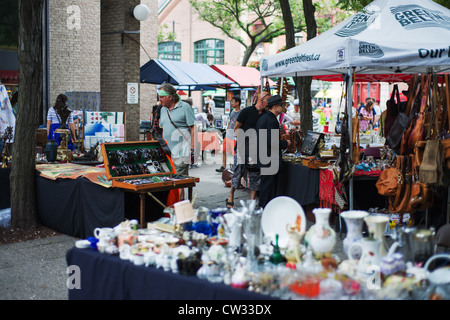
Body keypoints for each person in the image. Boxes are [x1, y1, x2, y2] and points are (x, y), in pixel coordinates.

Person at [225, 90, 271, 208]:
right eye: (268, 100)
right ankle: (231, 195)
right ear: (262, 100)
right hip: (242, 148)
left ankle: (251, 201)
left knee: (255, 174)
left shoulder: (266, 114)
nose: (269, 103)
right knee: (237, 172)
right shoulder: (247, 111)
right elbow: (236, 128)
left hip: (256, 151)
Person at [159, 83, 196, 199]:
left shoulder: (185, 107)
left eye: (162, 96)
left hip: (182, 151)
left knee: (178, 182)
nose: (159, 99)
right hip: (166, 153)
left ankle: (179, 210)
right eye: (159, 96)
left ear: (170, 96)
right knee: (169, 181)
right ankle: (175, 207)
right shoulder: (162, 110)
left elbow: (193, 129)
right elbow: (163, 129)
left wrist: (192, 149)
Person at [256, 95, 290, 208]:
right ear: (275, 106)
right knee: (268, 190)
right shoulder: (271, 120)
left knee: (266, 189)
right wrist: (286, 143)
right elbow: (273, 142)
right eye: (281, 105)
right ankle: (265, 212)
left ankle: (263, 211)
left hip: (264, 157)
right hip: (270, 160)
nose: (283, 107)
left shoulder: (263, 118)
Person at [216, 96, 241, 172]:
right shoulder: (232, 111)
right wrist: (226, 130)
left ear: (237, 103)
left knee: (235, 152)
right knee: (224, 150)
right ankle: (223, 166)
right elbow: (230, 121)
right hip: (229, 133)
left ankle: (235, 166)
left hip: (235, 134)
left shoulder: (241, 112)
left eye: (233, 102)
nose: (232, 103)